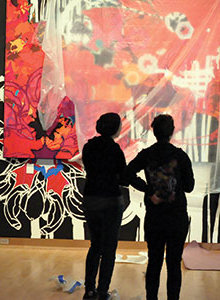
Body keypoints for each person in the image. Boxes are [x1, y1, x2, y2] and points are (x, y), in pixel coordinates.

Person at [123, 114, 195, 300]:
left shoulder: (146, 154)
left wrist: (148, 189)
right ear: (172, 132)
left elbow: (127, 174)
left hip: (154, 216)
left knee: (153, 262)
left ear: (154, 132)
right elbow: (189, 187)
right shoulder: (180, 156)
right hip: (177, 216)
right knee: (173, 264)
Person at [81, 112, 130, 300]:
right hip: (111, 202)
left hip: (91, 200)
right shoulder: (115, 150)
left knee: (95, 246)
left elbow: (90, 169)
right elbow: (123, 177)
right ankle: (103, 292)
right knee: (109, 249)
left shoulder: (88, 147)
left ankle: (89, 290)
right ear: (115, 129)